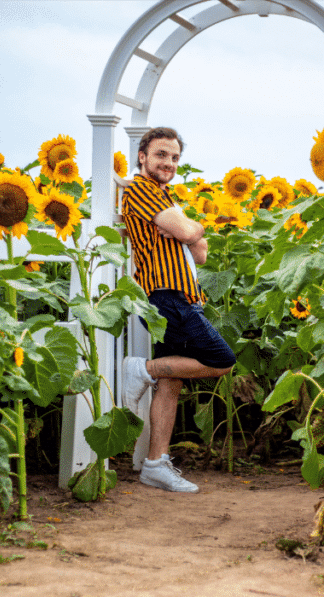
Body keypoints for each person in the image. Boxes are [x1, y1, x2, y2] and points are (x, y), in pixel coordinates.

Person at [120, 126, 236, 493]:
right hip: (166, 295)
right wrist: (192, 225)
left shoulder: (163, 195)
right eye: (160, 155)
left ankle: (155, 464)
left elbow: (200, 253)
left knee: (171, 382)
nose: (168, 162)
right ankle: (141, 370)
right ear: (142, 157)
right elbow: (190, 236)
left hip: (181, 294)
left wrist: (187, 228)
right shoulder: (141, 189)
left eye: (174, 157)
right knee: (222, 360)